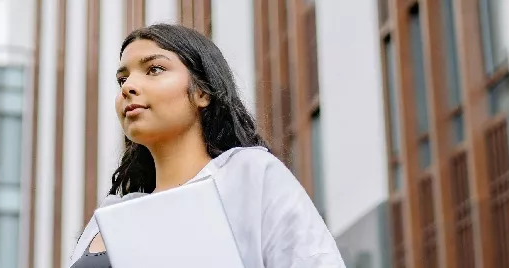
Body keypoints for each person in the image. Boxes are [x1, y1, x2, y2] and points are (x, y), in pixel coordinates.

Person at [68, 23, 345, 268]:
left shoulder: (250, 176)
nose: (128, 87)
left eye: (154, 69)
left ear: (202, 92)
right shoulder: (108, 216)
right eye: (122, 79)